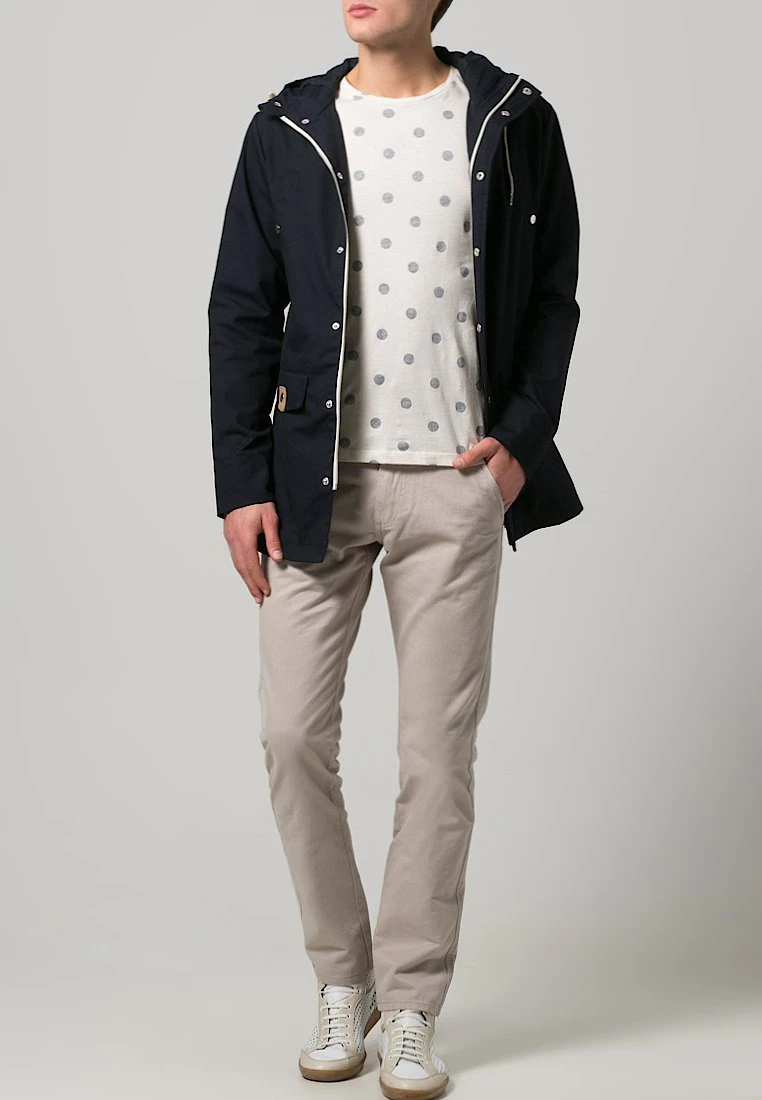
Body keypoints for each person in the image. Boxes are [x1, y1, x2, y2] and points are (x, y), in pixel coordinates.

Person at [207, 1, 582, 1095]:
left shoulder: (514, 118)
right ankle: (346, 977)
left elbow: (552, 297)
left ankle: (410, 1002)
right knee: (290, 735)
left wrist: (519, 442)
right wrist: (241, 483)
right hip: (312, 481)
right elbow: (241, 309)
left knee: (435, 758)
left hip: (455, 487)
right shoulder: (286, 126)